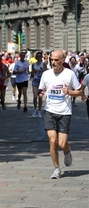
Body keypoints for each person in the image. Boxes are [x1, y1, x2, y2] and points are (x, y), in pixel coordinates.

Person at [38, 50, 81, 179]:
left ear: (63, 60)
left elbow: (79, 92)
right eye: (52, 60)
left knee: (62, 144)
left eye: (56, 60)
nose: (53, 62)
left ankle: (67, 151)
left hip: (64, 112)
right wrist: (41, 93)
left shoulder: (69, 74)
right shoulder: (46, 74)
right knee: (52, 140)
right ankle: (56, 168)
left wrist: (69, 92)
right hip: (49, 110)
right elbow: (41, 89)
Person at [30, 51, 47, 118]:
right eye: (37, 56)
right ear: (36, 57)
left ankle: (39, 110)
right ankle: (35, 109)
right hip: (35, 80)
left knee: (40, 97)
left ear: (41, 57)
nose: (39, 57)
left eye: (40, 56)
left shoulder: (43, 64)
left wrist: (42, 70)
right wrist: (33, 72)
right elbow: (32, 74)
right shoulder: (34, 64)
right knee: (35, 96)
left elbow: (46, 73)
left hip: (41, 81)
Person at [0, 52, 10, 117]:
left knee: (2, 97)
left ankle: (3, 102)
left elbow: (9, 74)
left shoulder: (4, 66)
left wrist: (5, 77)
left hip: (3, 82)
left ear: (1, 60)